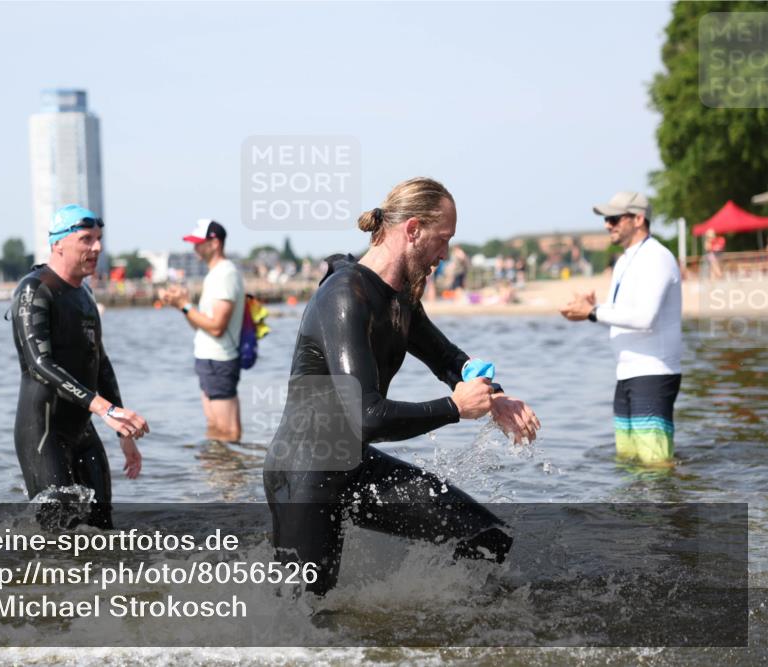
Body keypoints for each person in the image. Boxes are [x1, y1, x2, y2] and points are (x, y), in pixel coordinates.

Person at [263, 177, 541, 596]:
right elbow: (366, 415)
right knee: (304, 617)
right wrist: (453, 408)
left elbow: (448, 359)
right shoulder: (344, 297)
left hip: (353, 466)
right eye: (442, 239)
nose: (445, 255)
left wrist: (494, 395)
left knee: (486, 539)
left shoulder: (400, 299)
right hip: (305, 473)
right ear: (412, 230)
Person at [10, 204, 149, 530]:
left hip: (82, 431)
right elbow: (39, 364)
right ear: (58, 243)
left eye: (99, 239)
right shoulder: (35, 290)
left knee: (103, 531)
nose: (97, 247)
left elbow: (99, 362)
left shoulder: (84, 294)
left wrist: (121, 426)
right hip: (43, 433)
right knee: (58, 540)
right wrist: (104, 409)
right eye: (86, 239)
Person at [561, 191, 682, 465]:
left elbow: (644, 318)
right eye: (607, 219)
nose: (607, 225)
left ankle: (666, 508)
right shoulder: (626, 260)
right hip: (627, 373)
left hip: (653, 372)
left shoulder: (656, 257)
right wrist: (595, 309)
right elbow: (624, 313)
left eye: (614, 218)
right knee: (628, 462)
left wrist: (592, 312)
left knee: (655, 465)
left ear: (638, 218)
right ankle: (633, 510)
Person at [159, 219, 245, 442]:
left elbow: (216, 327)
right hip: (210, 360)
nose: (194, 247)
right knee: (215, 428)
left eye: (199, 242)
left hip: (219, 360)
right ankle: (216, 474)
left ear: (215, 243)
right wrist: (183, 304)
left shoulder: (225, 274)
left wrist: (184, 306)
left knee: (226, 430)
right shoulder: (215, 274)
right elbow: (201, 324)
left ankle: (230, 475)